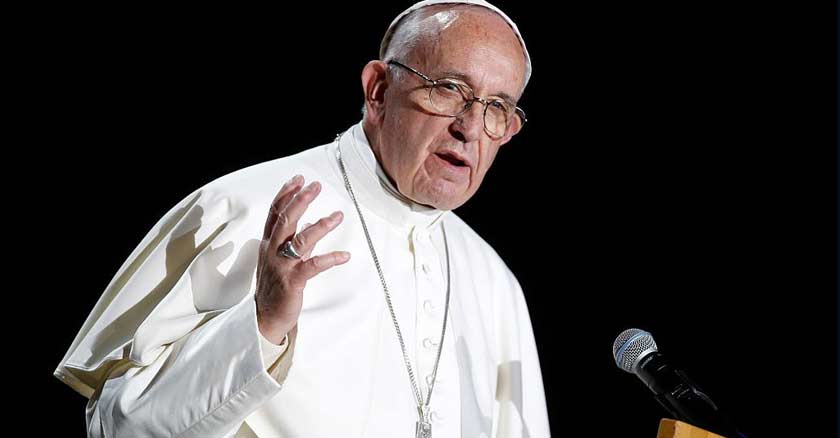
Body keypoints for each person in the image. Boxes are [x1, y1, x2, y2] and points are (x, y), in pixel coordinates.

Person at [54, 1, 550, 436]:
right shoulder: (242, 209)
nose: (469, 128)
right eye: (448, 89)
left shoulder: (494, 281)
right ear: (377, 89)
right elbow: (118, 427)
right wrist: (263, 326)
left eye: (497, 108)